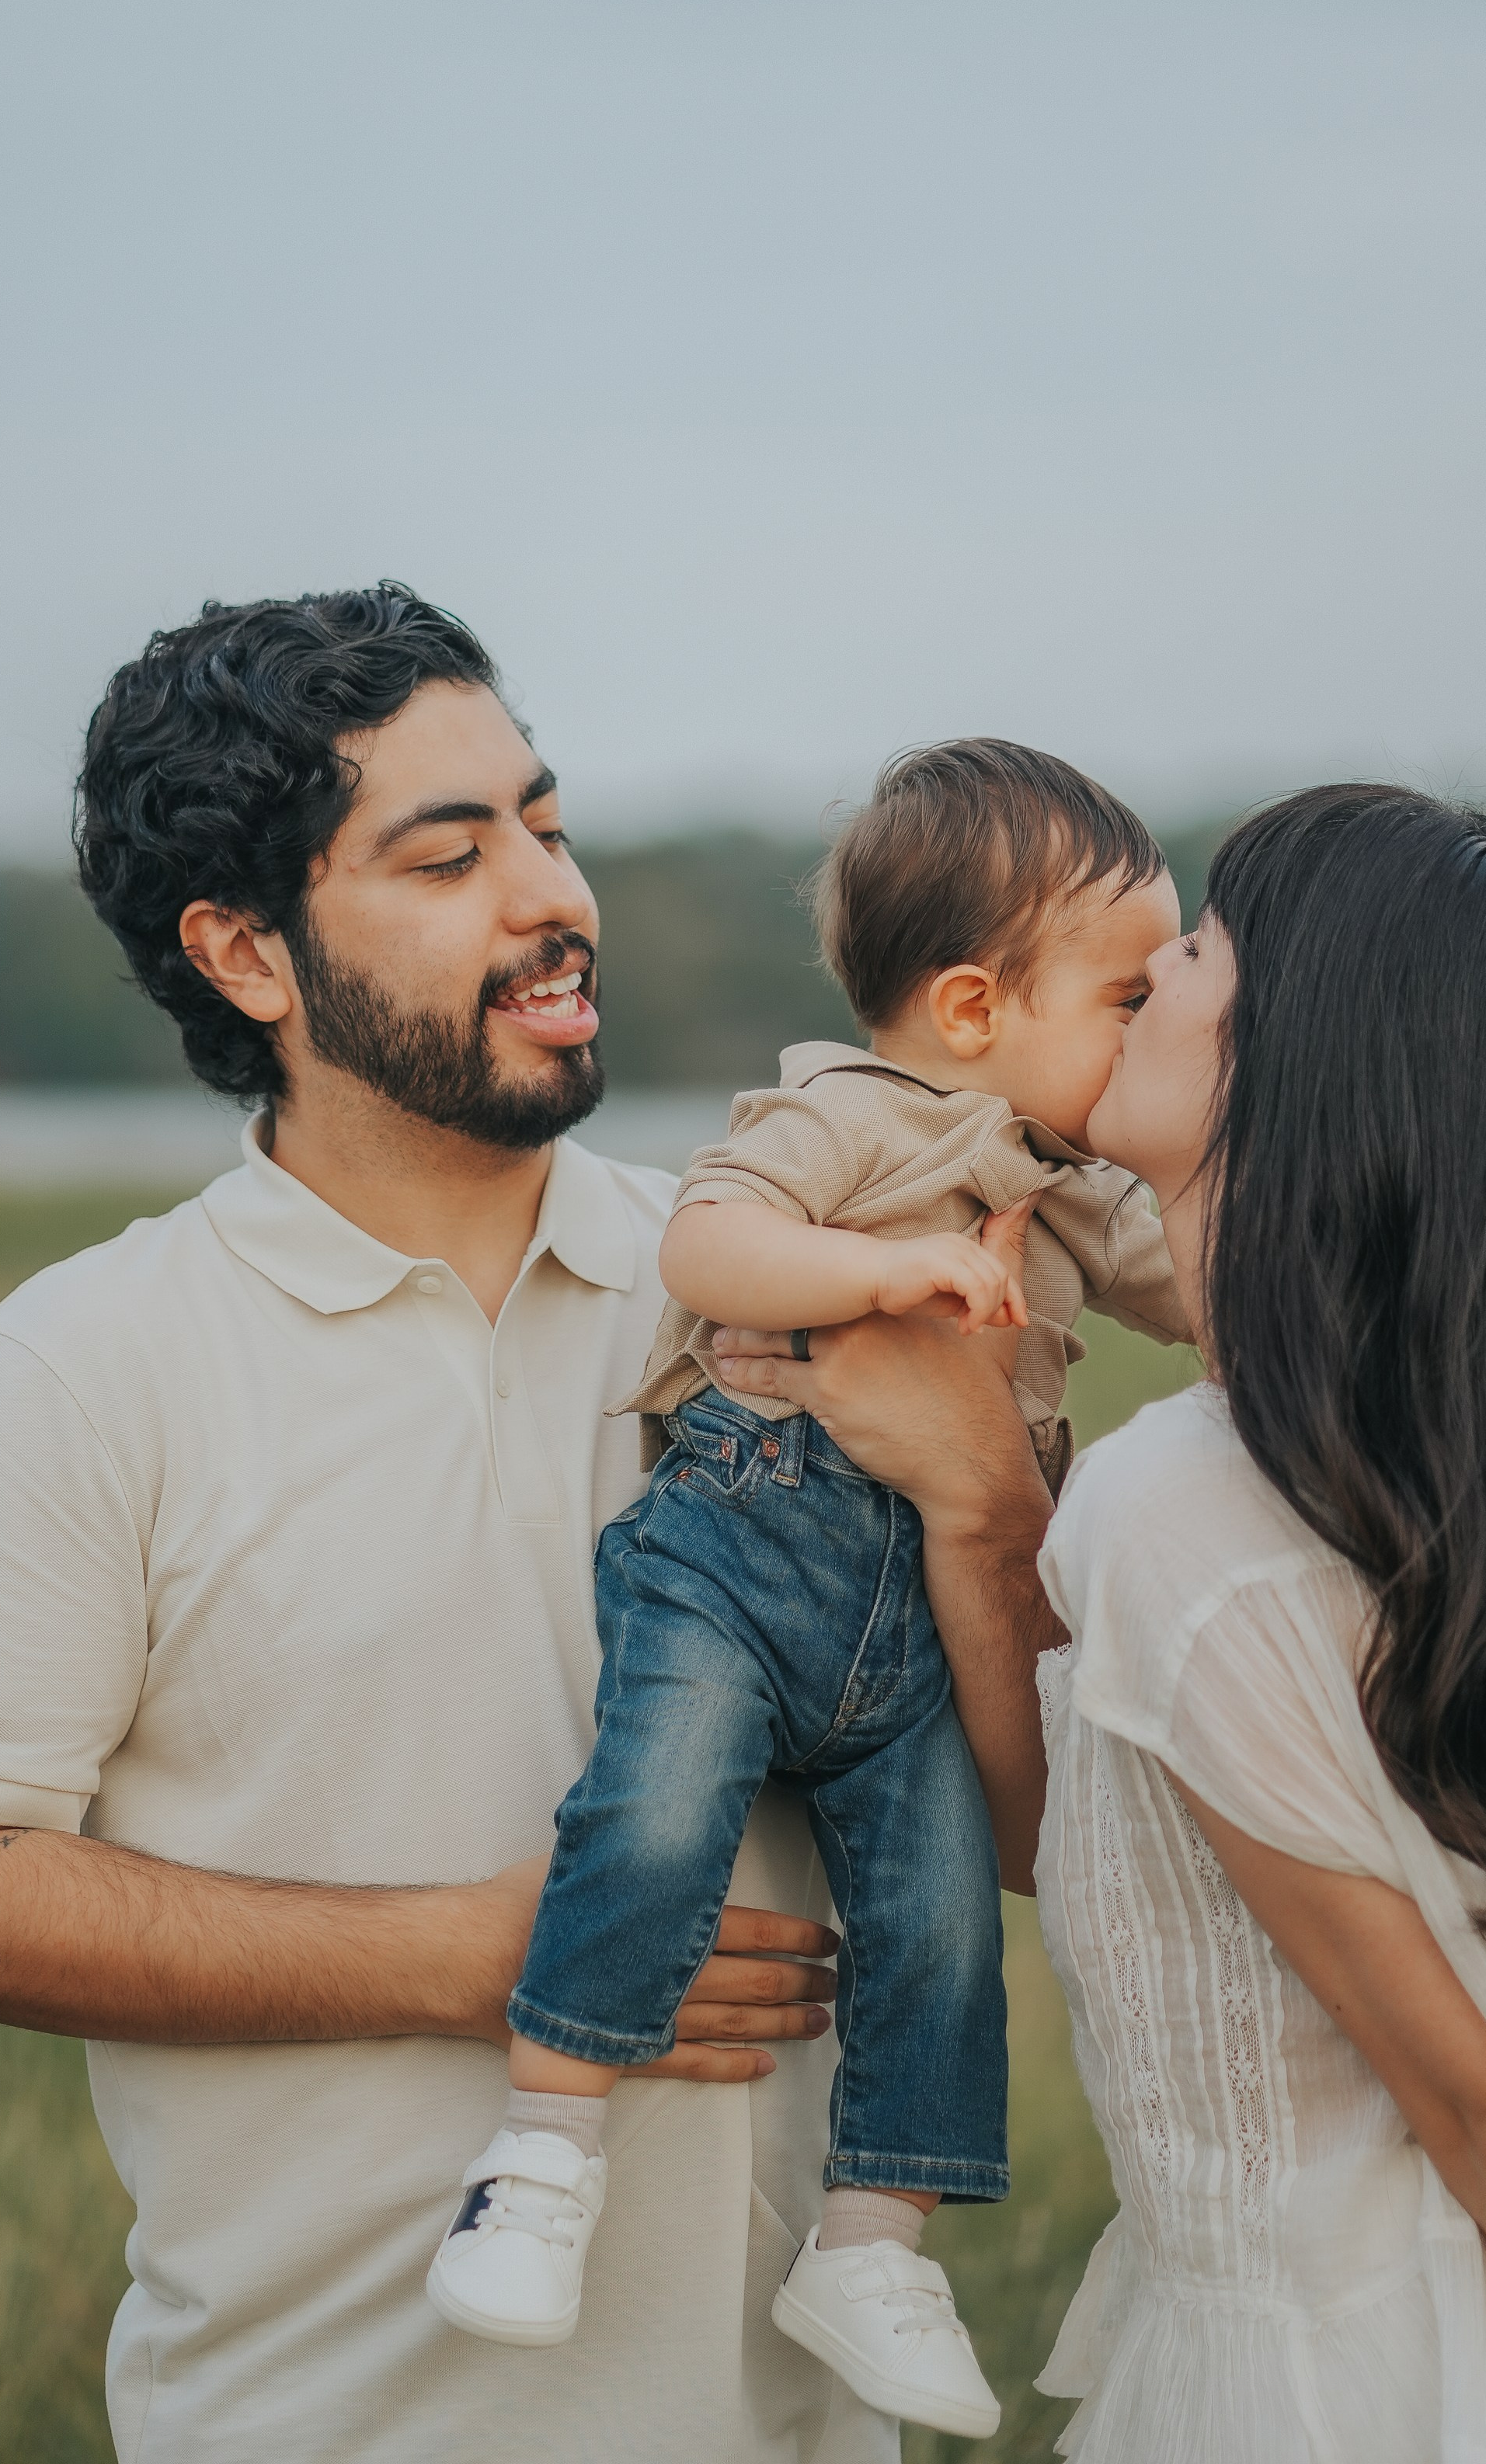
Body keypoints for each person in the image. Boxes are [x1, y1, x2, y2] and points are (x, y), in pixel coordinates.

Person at [0, 579, 957, 2464]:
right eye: (448, 857)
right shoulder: (81, 1367)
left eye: (545, 821)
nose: (549, 896)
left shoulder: (776, 1286)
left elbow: (1014, 1808)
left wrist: (984, 1503)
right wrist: (475, 1952)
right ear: (245, 953)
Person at [719, 784, 1486, 2462]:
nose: (1136, 980)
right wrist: (977, 1494)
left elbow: (1481, 2114)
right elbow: (1107, 1837)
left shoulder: (1190, 1503)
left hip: (1381, 2381)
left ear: (1297, 1056)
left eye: (1190, 952)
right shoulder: (1466, 1449)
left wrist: (988, 1495)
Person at [430, 742, 1188, 2440]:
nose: (1146, 1033)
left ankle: (873, 2243)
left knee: (938, 1928)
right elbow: (706, 1242)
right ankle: (540, 2157)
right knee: (650, 1817)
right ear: (974, 1005)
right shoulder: (843, 1112)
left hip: (912, 1618)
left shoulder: (1068, 1184)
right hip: (741, 1553)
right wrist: (883, 1265)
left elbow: (1218, 1287)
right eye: (1129, 1000)